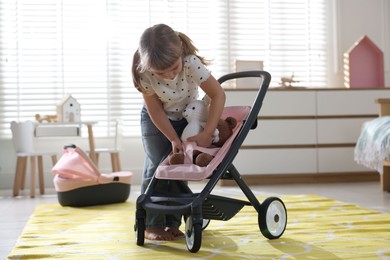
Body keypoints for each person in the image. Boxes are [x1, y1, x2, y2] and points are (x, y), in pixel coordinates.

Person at [131, 24, 226, 241]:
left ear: (180, 54)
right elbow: (155, 110)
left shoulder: (190, 63)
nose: (168, 76)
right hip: (156, 121)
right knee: (158, 167)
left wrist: (207, 133)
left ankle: (172, 221)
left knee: (178, 167)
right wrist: (172, 138)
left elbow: (218, 95)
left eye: (173, 68)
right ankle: (151, 224)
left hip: (186, 117)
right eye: (160, 73)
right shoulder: (144, 72)